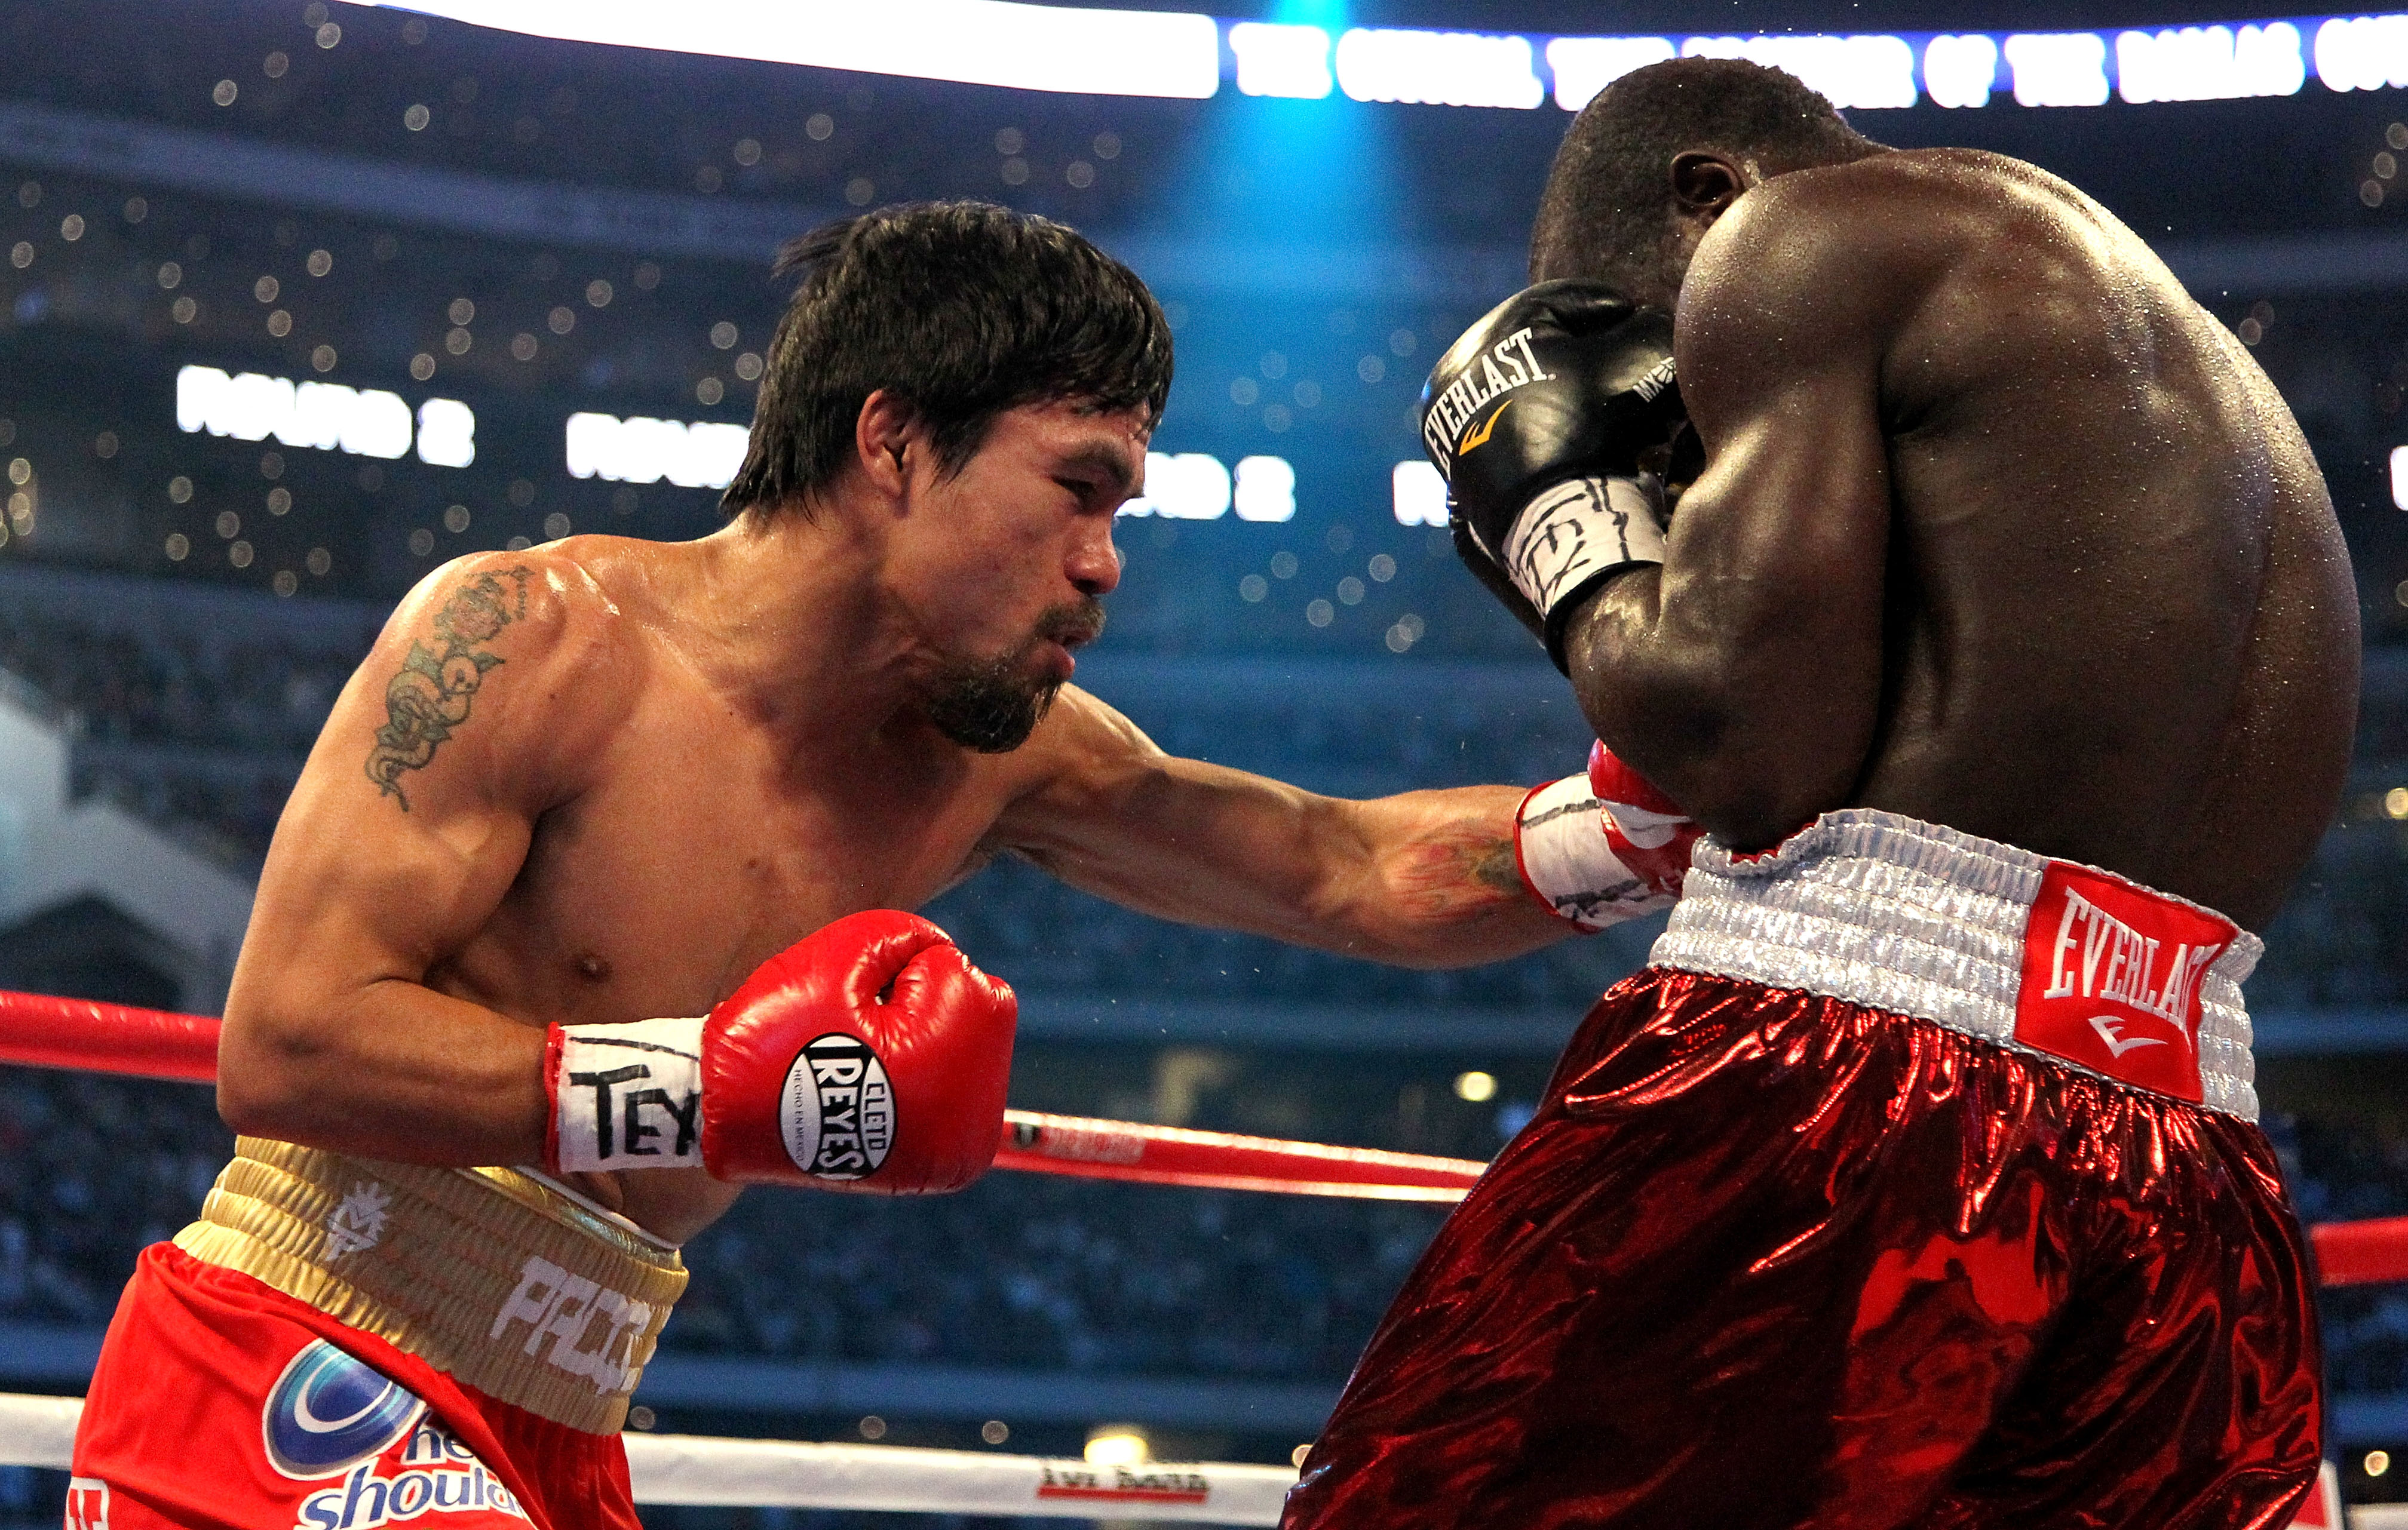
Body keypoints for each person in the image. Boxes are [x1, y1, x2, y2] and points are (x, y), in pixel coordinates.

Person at [60, 200, 1665, 1530]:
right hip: (287, 1366)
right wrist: (708, 1089)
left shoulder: (995, 753)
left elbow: (1339, 869)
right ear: (892, 443)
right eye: (1077, 489)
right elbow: (284, 1043)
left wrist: (1627, 831)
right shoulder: (529, 639)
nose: (1106, 561)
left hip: (555, 1423)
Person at [1286, 58, 2352, 1530]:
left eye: (1656, 342)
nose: (1684, 415)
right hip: (2192, 1156)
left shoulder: (1795, 241)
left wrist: (1568, 532)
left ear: (1707, 196)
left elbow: (1738, 738)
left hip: (1839, 1087)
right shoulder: (2209, 391)